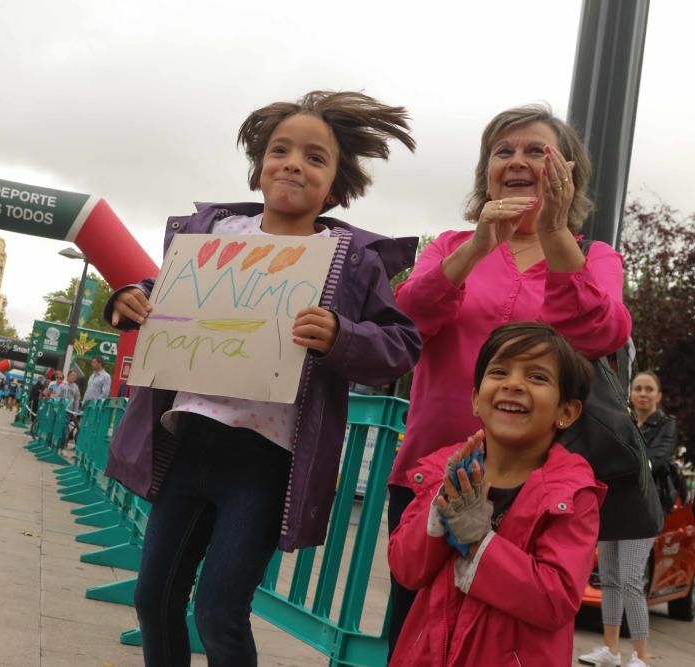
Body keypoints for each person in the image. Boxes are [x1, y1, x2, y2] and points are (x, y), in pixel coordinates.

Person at [105, 90, 421, 665]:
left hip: (264, 460)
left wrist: (341, 336)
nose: (294, 163)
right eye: (280, 150)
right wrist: (131, 298)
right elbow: (163, 294)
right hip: (186, 442)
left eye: (315, 157)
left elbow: (402, 344)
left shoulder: (349, 259)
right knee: (154, 597)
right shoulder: (215, 233)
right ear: (258, 167)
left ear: (336, 186)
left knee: (219, 613)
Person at [386, 104, 631, 656]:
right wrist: (479, 245)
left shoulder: (594, 256)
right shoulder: (451, 246)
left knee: (514, 634)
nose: (518, 161)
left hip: (539, 488)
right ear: (486, 170)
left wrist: (553, 234)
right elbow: (406, 323)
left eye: (536, 151)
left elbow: (601, 332)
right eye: (504, 151)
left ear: (566, 170)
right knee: (416, 630)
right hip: (434, 470)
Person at [389, 322, 601, 666]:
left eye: (537, 377)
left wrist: (477, 540)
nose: (513, 384)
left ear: (566, 412)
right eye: (499, 371)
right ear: (475, 398)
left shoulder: (572, 495)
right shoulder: (444, 470)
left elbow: (556, 600)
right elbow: (405, 568)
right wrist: (442, 507)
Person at [579, 370, 677, 667]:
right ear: (630, 394)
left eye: (649, 389)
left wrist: (623, 458)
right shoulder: (623, 420)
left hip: (642, 511)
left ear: (658, 396)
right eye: (638, 388)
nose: (643, 394)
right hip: (614, 506)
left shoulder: (666, 425)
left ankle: (640, 656)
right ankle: (611, 650)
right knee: (609, 580)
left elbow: (655, 461)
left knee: (631, 580)